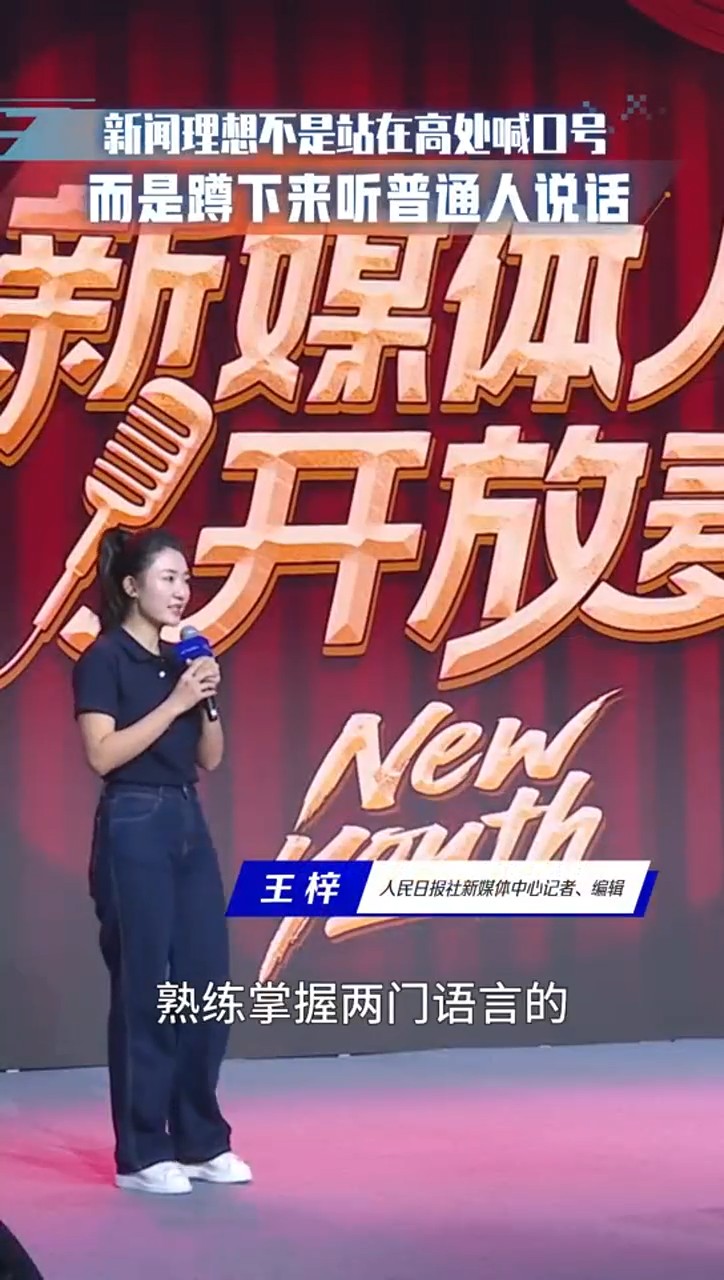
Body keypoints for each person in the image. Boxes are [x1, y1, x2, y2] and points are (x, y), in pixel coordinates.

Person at [72, 526, 252, 1195]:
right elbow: (102, 754)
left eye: (186, 580)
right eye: (169, 578)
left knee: (205, 982)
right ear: (131, 585)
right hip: (133, 819)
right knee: (146, 986)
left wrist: (204, 700)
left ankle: (201, 1139)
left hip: (185, 817)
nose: (182, 591)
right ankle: (144, 1152)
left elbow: (210, 758)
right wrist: (175, 701)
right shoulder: (104, 659)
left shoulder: (183, 661)